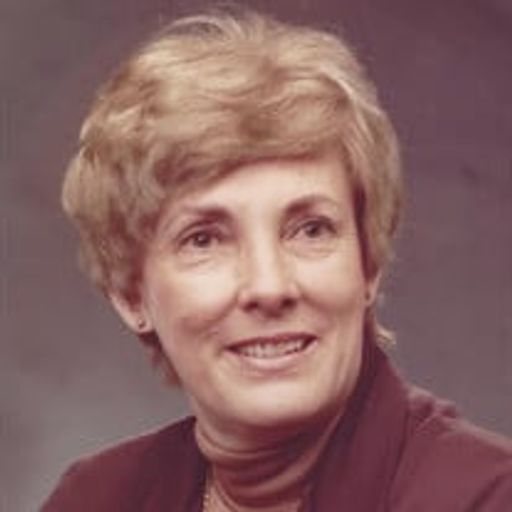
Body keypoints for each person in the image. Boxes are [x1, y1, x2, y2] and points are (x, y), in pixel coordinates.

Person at [42, 8, 512, 512]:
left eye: (311, 229)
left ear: (369, 264)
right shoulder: (96, 498)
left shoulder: (488, 496)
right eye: (204, 240)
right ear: (131, 294)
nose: (269, 286)